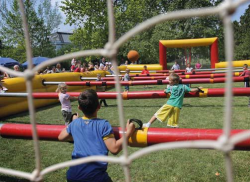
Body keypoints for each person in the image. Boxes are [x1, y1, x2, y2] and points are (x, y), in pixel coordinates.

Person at [58, 89, 135, 182]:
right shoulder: (103, 124)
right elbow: (114, 149)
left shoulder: (75, 123)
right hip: (95, 177)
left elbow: (61, 137)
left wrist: (74, 122)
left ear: (79, 107)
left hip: (73, 176)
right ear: (99, 106)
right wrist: (129, 133)